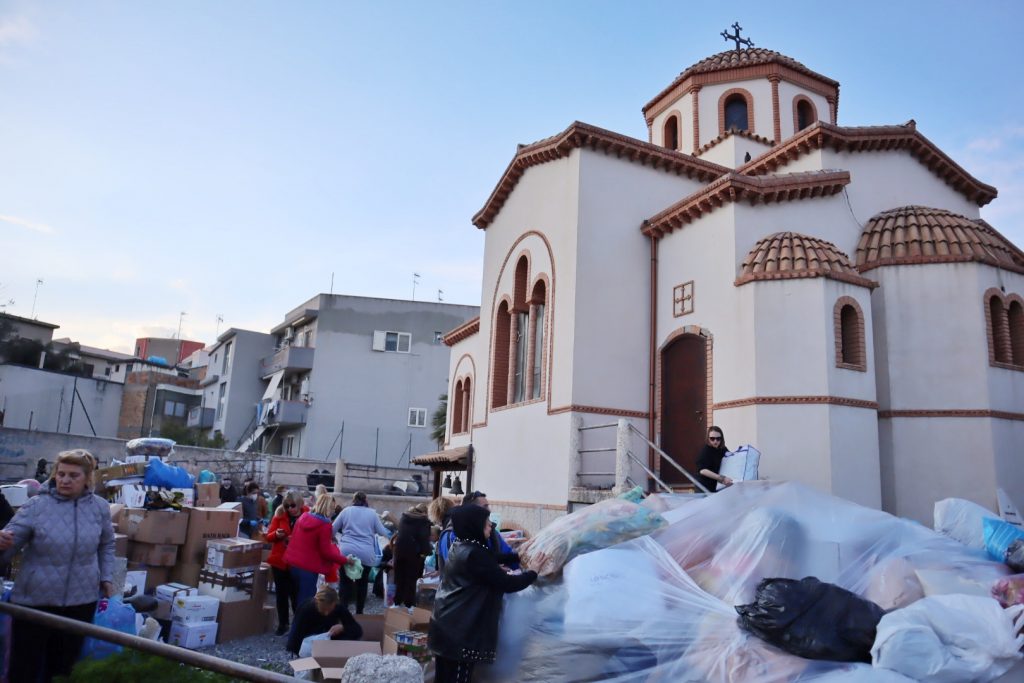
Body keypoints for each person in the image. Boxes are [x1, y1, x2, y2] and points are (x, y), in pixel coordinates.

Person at [0, 449, 116, 681]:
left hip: (80, 602)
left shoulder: (99, 508)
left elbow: (107, 545)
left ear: (87, 479)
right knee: (23, 670)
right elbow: (9, 548)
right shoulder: (36, 506)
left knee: (63, 669)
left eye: (73, 475)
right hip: (34, 603)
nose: (64, 480)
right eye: (61, 474)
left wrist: (106, 577)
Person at [428, 504, 538, 682]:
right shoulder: (473, 553)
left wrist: (516, 555)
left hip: (448, 627)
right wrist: (533, 572)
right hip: (459, 633)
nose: (490, 526)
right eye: (486, 522)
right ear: (474, 525)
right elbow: (507, 583)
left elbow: (490, 557)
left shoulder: (463, 545)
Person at [285, 492, 352, 607]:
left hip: (292, 564)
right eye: (332, 508)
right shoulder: (325, 525)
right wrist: (346, 560)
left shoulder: (303, 517)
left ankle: (295, 623)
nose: (333, 512)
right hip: (308, 568)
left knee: (296, 602)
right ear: (328, 508)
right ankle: (302, 624)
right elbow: (326, 553)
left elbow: (293, 538)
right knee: (305, 605)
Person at [332, 491, 390, 614]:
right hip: (365, 553)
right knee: (362, 583)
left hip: (346, 551)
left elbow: (332, 529)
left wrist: (334, 538)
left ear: (353, 500)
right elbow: (382, 532)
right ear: (366, 500)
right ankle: (359, 612)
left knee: (344, 583)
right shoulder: (372, 513)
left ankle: (343, 612)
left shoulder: (346, 511)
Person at [267, 490, 307, 636]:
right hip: (280, 561)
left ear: (299, 504)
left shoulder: (307, 515)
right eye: (287, 506)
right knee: (281, 595)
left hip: (297, 561)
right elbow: (268, 536)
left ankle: (297, 625)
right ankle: (283, 624)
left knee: (296, 595)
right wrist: (276, 535)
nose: (290, 509)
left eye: (293, 505)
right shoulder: (279, 514)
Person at [285, 586, 363, 656]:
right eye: (323, 610)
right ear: (317, 603)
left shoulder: (338, 607)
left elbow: (357, 630)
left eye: (329, 609)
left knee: (350, 635)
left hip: (330, 641)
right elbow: (295, 639)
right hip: (310, 642)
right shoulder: (305, 609)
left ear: (334, 604)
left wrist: (343, 627)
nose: (326, 613)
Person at [393, 502, 432, 608]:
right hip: (413, 553)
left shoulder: (404, 518)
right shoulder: (424, 521)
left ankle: (396, 603)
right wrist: (427, 552)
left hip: (399, 551)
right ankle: (409, 605)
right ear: (425, 512)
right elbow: (424, 539)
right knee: (411, 579)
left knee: (400, 577)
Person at [696, 425, 733, 493]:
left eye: (718, 438)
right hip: (703, 487)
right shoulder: (706, 451)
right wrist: (722, 478)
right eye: (712, 438)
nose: (715, 441)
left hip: (716, 486)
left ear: (721, 439)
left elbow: (731, 458)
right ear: (708, 438)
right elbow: (702, 470)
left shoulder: (722, 449)